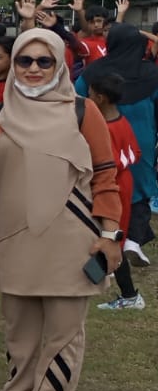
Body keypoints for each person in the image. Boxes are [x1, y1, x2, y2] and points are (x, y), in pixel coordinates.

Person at [0, 30, 121, 391]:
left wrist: (110, 233)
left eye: (44, 61)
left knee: (63, 329)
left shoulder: (82, 111)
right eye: (24, 60)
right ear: (13, 65)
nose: (33, 69)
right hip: (15, 234)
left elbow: (106, 174)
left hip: (71, 233)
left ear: (60, 65)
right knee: (19, 325)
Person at [78, 23, 157, 262]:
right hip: (140, 141)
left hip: (100, 138)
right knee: (140, 190)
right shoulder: (152, 74)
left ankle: (104, 235)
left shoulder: (94, 71)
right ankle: (133, 239)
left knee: (104, 186)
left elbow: (77, 101)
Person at [86, 70, 143, 312]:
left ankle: (129, 295)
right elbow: (135, 152)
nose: (87, 97)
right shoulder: (122, 120)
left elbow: (106, 162)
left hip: (113, 185)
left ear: (100, 98)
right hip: (123, 183)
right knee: (111, 234)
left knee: (112, 237)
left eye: (90, 93)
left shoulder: (103, 128)